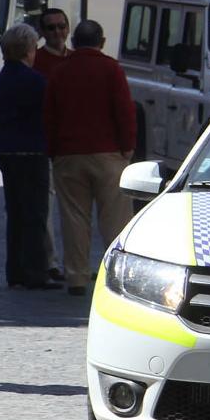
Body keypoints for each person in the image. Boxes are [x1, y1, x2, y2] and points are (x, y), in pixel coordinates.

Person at [44, 19, 135, 297]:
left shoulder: (60, 72)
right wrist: (127, 148)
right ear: (102, 42)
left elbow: (50, 115)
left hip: (69, 154)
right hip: (108, 153)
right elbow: (124, 110)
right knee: (115, 219)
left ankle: (77, 277)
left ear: (73, 42)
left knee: (74, 219)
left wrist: (54, 151)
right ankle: (117, 276)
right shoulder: (111, 69)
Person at [0, 24, 61, 290]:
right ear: (27, 49)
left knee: (16, 212)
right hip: (31, 149)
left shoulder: (5, 75)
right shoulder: (33, 80)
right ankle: (35, 271)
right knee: (35, 212)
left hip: (7, 148)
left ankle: (16, 269)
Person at [32, 7, 72, 282]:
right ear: (42, 33)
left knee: (74, 211)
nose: (57, 32)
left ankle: (74, 263)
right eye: (51, 28)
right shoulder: (37, 61)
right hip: (46, 144)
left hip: (72, 146)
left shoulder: (75, 60)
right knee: (46, 208)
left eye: (61, 26)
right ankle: (50, 262)